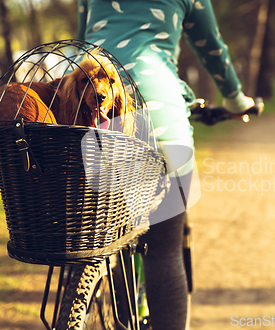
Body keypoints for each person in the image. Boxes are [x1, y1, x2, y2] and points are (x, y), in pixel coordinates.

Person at [77, 0, 255, 329]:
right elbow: (211, 48)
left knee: (111, 237)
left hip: (91, 118)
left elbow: (81, 47)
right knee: (163, 252)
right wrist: (236, 100)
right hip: (158, 117)